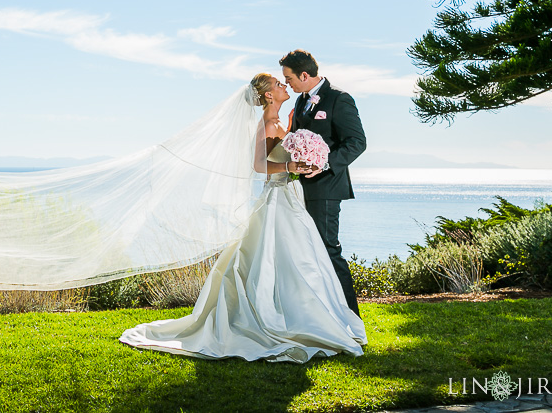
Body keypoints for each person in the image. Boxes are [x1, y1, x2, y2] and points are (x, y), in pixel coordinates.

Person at [118, 72, 366, 362]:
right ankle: (274, 318)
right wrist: (292, 165)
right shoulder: (267, 124)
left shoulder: (286, 119)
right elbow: (260, 165)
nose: (284, 85)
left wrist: (302, 160)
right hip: (277, 198)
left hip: (290, 196)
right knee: (278, 258)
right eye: (278, 83)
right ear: (269, 95)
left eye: (285, 80)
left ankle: (303, 314)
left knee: (296, 260)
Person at [281, 49, 365, 317]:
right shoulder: (300, 103)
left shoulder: (339, 99)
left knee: (329, 250)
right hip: (299, 188)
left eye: (290, 78)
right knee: (308, 252)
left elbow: (357, 142)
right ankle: (321, 313)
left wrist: (323, 163)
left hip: (327, 187)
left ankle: (350, 317)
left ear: (304, 75)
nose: (288, 84)